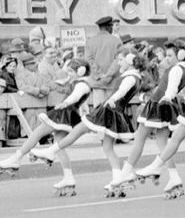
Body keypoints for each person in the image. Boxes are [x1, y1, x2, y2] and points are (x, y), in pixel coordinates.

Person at [35, 47, 143, 197]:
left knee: (78, 129)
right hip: (115, 111)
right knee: (107, 147)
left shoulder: (130, 77)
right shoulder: (135, 77)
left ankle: (50, 151)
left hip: (108, 110)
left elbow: (122, 91)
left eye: (120, 60)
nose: (118, 63)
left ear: (130, 60)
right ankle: (118, 178)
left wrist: (111, 99)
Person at [122, 41, 185, 194]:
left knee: (140, 138)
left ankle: (124, 174)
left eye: (170, 55)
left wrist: (167, 97)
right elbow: (184, 90)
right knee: (162, 143)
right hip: (166, 105)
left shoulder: (176, 69)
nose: (166, 58)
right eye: (166, 55)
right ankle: (174, 177)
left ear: (180, 55)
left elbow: (172, 88)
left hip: (158, 104)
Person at [0, 60, 92, 174]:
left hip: (63, 113)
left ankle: (15, 159)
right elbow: (65, 87)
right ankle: (68, 178)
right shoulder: (78, 82)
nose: (69, 74)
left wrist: (65, 103)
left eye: (71, 72)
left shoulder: (82, 84)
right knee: (58, 146)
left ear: (80, 72)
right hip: (69, 114)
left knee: (37, 133)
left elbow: (75, 96)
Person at [86, 15, 120, 107]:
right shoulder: (117, 41)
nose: (112, 28)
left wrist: (99, 75)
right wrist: (108, 75)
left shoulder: (90, 41)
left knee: (98, 109)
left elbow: (89, 60)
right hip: (112, 81)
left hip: (97, 81)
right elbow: (118, 60)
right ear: (108, 26)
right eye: (111, 26)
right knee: (112, 109)